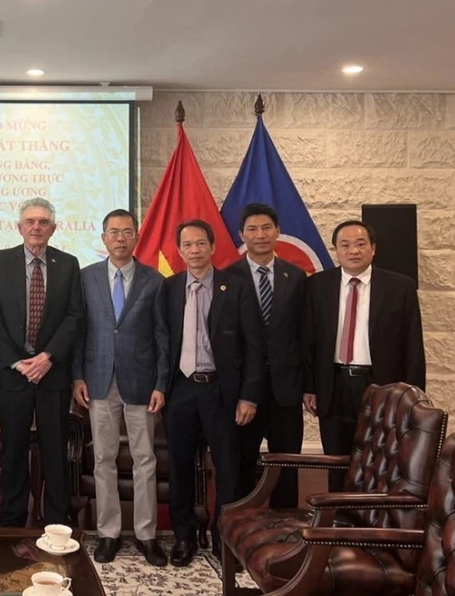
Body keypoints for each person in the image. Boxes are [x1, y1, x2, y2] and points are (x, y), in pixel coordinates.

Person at [162, 219, 262, 566]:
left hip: (222, 390)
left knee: (228, 469)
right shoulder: (170, 288)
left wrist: (248, 396)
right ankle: (184, 538)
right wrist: (162, 389)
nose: (194, 250)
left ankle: (225, 539)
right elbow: (164, 343)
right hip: (181, 391)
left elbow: (253, 345)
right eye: (187, 245)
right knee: (180, 468)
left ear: (212, 247)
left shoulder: (235, 287)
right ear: (179, 250)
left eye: (200, 244)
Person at [72, 209, 169, 566]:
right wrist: (77, 377)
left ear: (136, 238)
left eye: (127, 232)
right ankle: (108, 533)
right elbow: (79, 333)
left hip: (142, 383)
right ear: (103, 238)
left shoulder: (154, 280)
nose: (120, 239)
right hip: (98, 381)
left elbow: (162, 337)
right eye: (113, 232)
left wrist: (161, 383)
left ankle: (146, 535)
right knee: (103, 459)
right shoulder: (85, 279)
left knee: (145, 459)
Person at [0, 198, 84, 527]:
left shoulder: (68, 264)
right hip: (12, 376)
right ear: (20, 227)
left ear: (53, 228)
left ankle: (56, 521)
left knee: (55, 451)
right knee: (13, 451)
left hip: (52, 375)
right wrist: (17, 362)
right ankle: (12, 520)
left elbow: (73, 317)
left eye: (43, 222)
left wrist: (47, 357)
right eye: (30, 221)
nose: (36, 227)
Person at [303, 220, 425, 492]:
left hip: (381, 386)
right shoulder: (318, 286)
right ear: (335, 250)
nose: (353, 251)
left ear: (373, 249)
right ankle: (338, 522)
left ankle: (373, 525)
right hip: (333, 384)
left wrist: (413, 396)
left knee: (380, 459)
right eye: (345, 245)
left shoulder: (400, 287)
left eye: (360, 244)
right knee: (337, 460)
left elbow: (413, 346)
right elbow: (308, 339)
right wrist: (309, 387)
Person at [224, 203, 306, 508]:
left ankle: (284, 528)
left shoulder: (296, 277)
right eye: (252, 229)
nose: (260, 235)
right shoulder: (227, 278)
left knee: (287, 463)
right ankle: (242, 529)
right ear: (241, 234)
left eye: (266, 228)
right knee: (242, 462)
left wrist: (308, 385)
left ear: (278, 232)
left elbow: (305, 334)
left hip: (286, 388)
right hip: (244, 390)